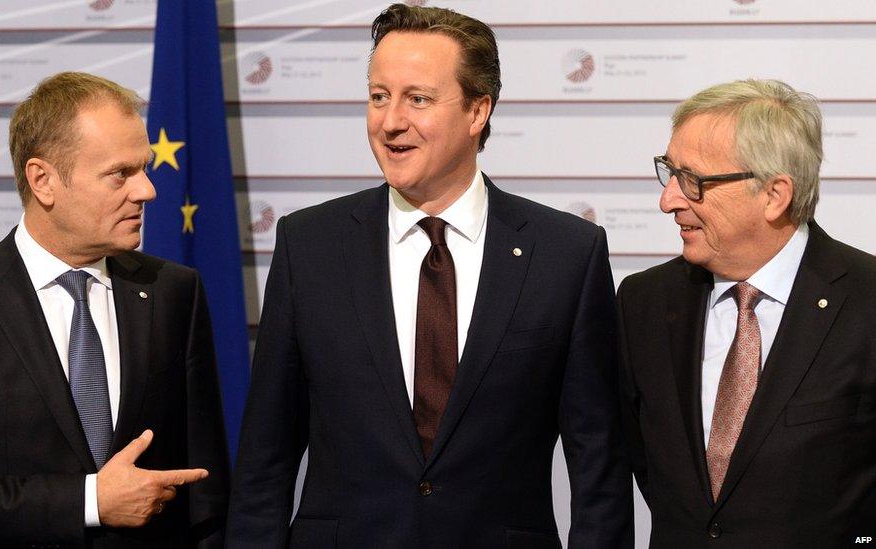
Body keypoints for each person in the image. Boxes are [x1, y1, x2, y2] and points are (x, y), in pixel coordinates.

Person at [227, 4, 633, 547]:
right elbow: (265, 461)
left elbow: (600, 471)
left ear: (477, 111)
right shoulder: (311, 246)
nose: (390, 121)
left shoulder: (566, 254)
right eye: (378, 96)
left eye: (417, 99)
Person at [0, 72, 230, 547]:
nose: (146, 191)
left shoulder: (173, 291)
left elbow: (205, 483)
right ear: (43, 180)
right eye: (121, 173)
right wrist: (89, 501)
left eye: (144, 169)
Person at [618, 79, 876, 547]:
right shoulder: (644, 302)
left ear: (775, 195)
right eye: (669, 172)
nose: (669, 199)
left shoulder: (867, 300)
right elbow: (645, 467)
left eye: (693, 180)